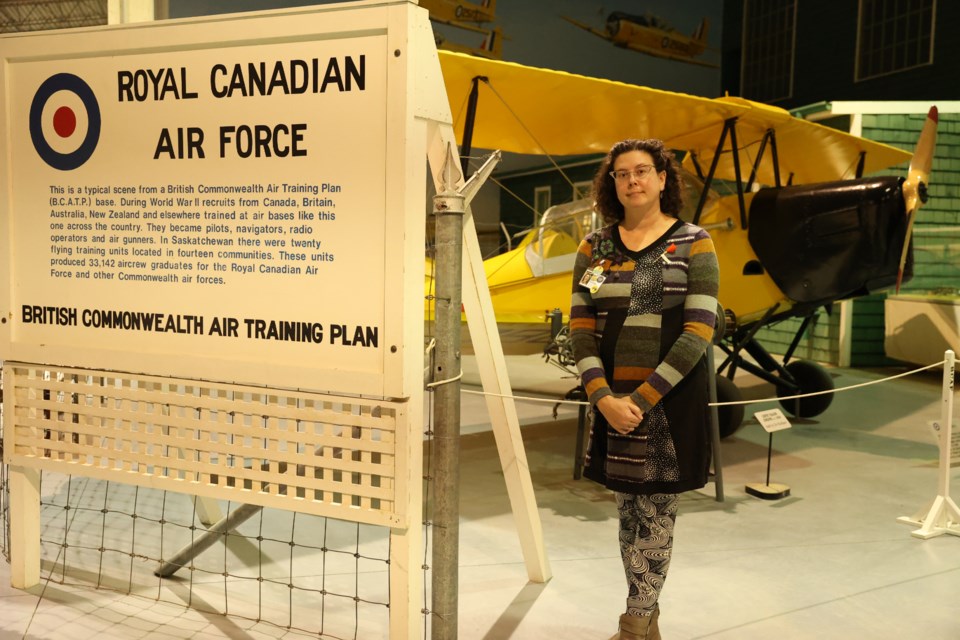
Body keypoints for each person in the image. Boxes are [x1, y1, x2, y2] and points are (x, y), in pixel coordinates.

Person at [569, 138, 719, 640]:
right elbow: (581, 330)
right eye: (622, 174)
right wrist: (603, 399)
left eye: (642, 171)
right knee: (628, 510)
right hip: (612, 405)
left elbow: (698, 331)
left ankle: (633, 624)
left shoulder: (693, 242)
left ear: (661, 179)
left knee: (656, 513)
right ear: (612, 184)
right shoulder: (595, 248)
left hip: (665, 406)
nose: (632, 180)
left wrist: (638, 401)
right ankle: (647, 617)